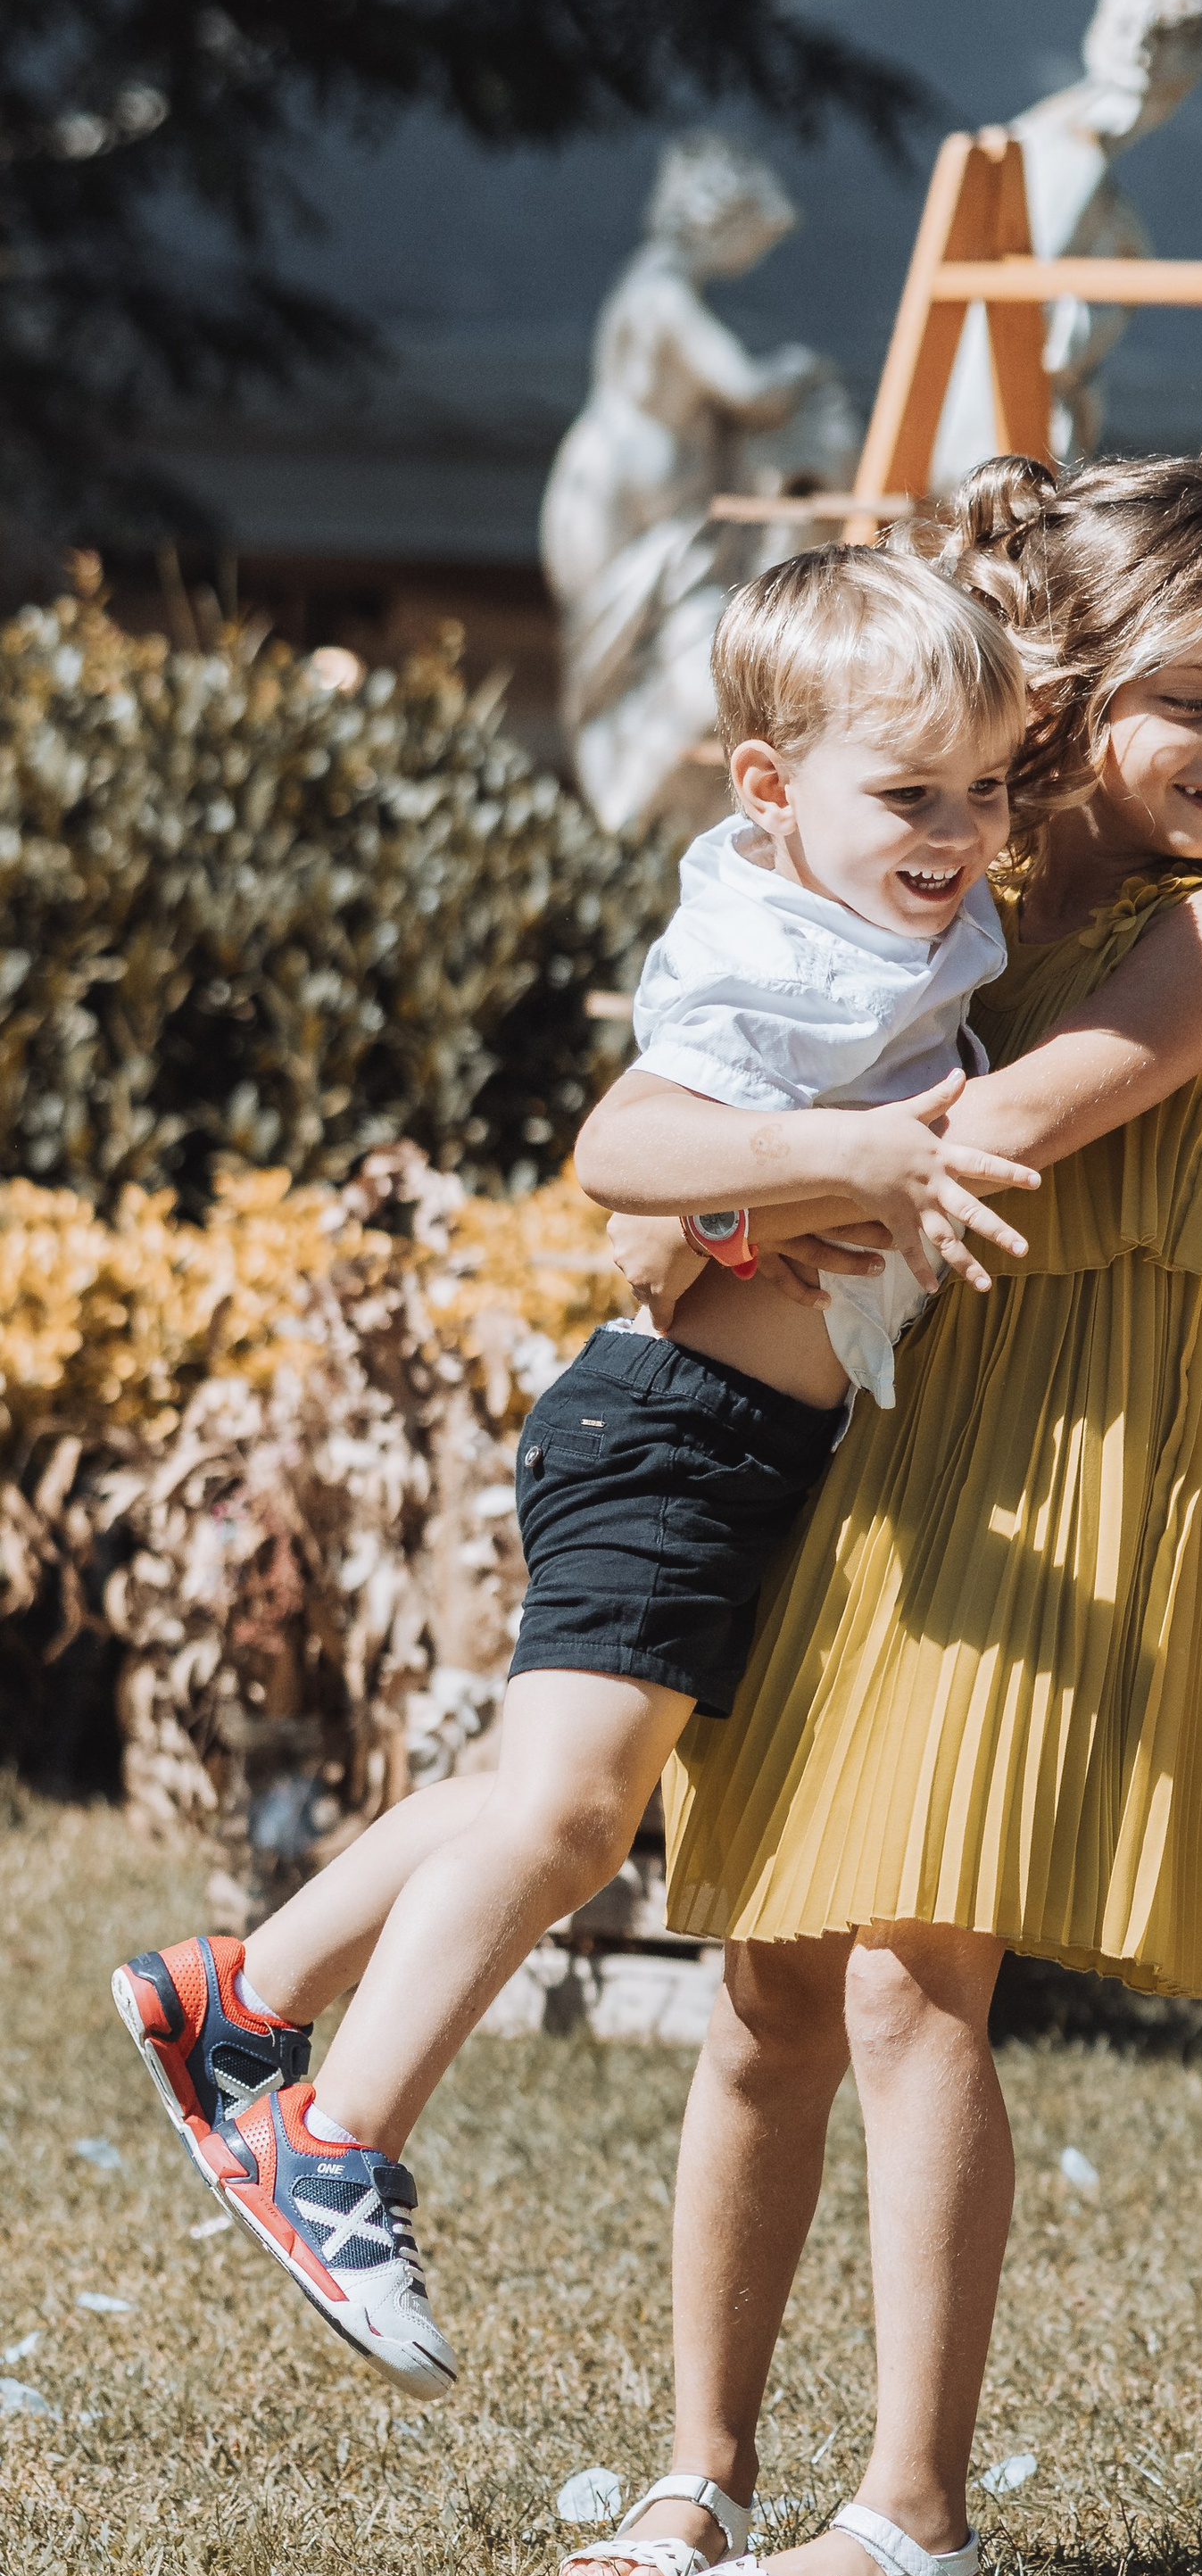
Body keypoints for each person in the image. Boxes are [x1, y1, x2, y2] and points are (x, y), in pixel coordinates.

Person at [558, 451, 1202, 2576]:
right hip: (859, 1467)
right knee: (763, 1983)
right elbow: (681, 1179)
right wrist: (730, 1170)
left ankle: (910, 2514)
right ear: (1067, 694)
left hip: (1056, 1488)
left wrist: (728, 1169)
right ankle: (698, 2472)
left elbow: (959, 1143)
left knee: (916, 1967)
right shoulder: (945, 913)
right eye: (1191, 700)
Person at [109, 546, 1043, 2401]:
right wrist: (828, 1163)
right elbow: (624, 1149)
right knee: (567, 1824)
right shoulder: (762, 942)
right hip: (669, 1433)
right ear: (767, 791)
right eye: (911, 794)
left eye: (988, 789)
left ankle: (239, 1992)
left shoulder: (900, 912)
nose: (960, 831)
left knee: (522, 1787)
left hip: (739, 1444)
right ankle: (331, 2137)